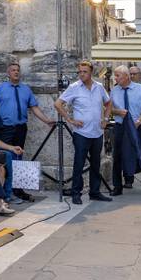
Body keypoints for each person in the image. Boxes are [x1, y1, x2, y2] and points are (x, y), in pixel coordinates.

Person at [0, 62, 55, 201]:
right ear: (8, 73)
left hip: (21, 128)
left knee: (18, 158)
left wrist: (46, 120)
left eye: (18, 70)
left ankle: (18, 190)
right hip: (5, 129)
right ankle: (5, 192)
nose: (16, 72)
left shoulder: (26, 90)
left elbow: (34, 108)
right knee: (6, 158)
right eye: (13, 70)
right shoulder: (0, 89)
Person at [53, 61, 112, 205]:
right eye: (79, 72)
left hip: (97, 132)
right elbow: (58, 104)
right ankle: (76, 193)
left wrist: (105, 119)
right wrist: (70, 119)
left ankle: (95, 192)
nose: (81, 74)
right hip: (81, 133)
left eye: (84, 71)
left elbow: (108, 103)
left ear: (91, 72)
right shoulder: (74, 87)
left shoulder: (99, 87)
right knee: (79, 163)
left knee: (96, 163)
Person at [109, 64, 141, 197]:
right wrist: (118, 111)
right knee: (118, 156)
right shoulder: (114, 91)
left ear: (126, 76)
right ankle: (117, 187)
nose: (115, 78)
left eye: (117, 75)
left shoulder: (140, 89)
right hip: (120, 127)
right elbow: (109, 109)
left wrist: (139, 121)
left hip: (138, 125)